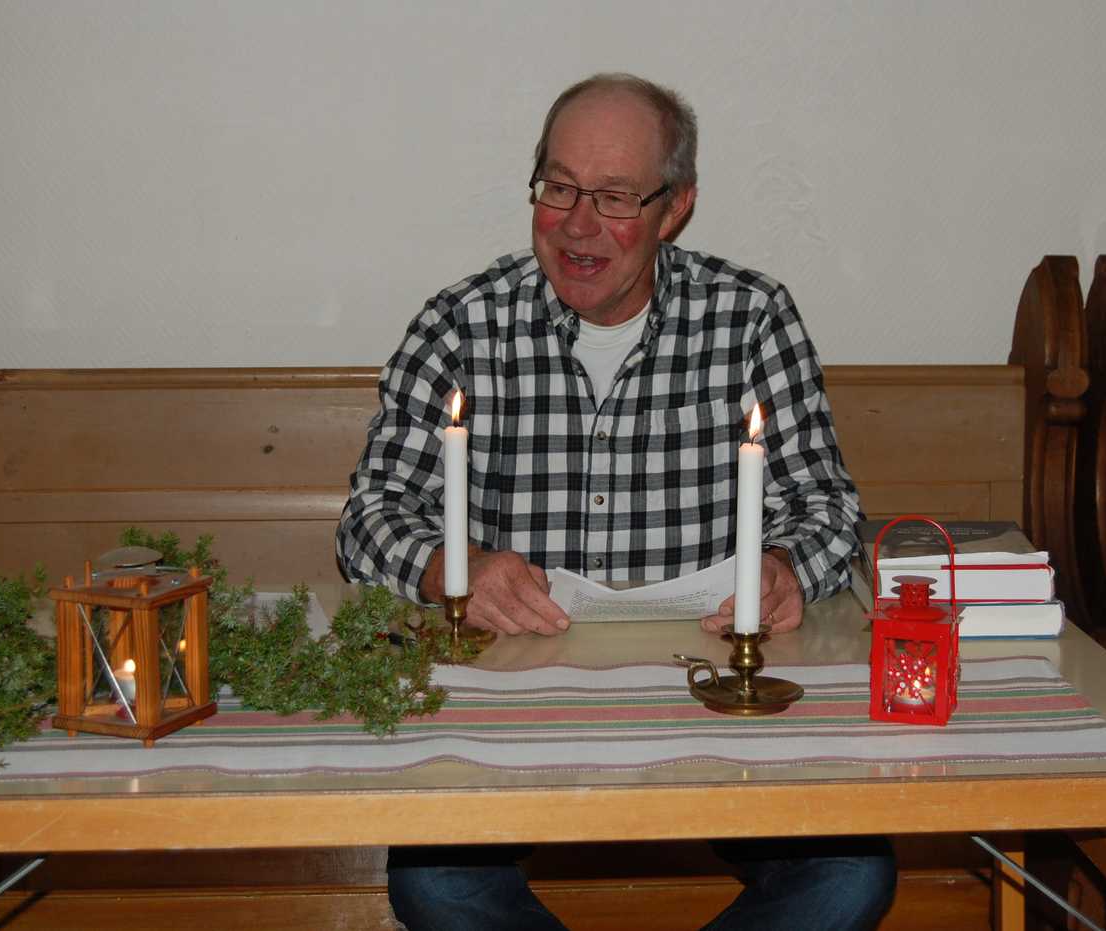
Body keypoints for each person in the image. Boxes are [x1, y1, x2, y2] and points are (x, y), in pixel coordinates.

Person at [338, 73, 894, 931]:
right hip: (513, 712)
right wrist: (455, 568)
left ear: (676, 209)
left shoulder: (750, 318)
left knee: (852, 871)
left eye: (616, 197)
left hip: (717, 707)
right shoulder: (462, 324)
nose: (577, 223)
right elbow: (369, 518)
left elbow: (827, 507)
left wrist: (785, 569)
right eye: (558, 187)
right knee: (434, 882)